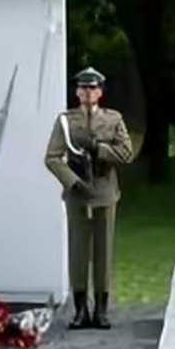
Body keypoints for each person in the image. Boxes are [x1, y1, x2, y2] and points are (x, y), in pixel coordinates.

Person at [44, 67, 137, 328]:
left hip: (105, 190)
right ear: (76, 91)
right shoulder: (65, 121)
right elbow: (52, 157)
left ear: (100, 92)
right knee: (78, 251)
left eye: (92, 87)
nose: (87, 92)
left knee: (103, 250)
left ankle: (102, 309)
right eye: (83, 88)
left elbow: (127, 153)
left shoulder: (113, 119)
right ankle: (80, 309)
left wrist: (101, 149)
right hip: (77, 193)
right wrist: (72, 182)